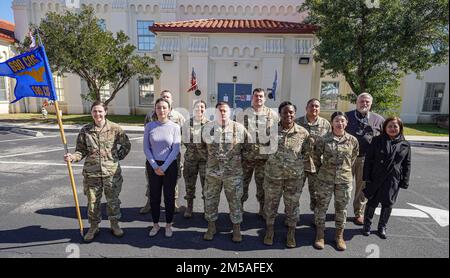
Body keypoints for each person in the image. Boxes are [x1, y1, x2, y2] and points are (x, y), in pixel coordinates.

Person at [64, 101, 131, 242]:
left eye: (100, 111)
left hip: (111, 174)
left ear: (105, 112)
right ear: (91, 113)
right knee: (92, 202)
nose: (97, 114)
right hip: (92, 174)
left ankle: (115, 224)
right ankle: (94, 227)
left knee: (113, 201)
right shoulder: (85, 130)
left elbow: (126, 144)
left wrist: (116, 158)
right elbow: (81, 151)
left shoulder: (115, 128)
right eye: (95, 111)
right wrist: (72, 157)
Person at [263, 101, 312, 248]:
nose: (288, 115)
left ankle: (291, 233)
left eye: (291, 112)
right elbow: (263, 150)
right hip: (273, 176)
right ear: (280, 114)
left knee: (292, 206)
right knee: (271, 205)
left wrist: (295, 166)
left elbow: (307, 152)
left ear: (295, 114)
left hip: (294, 178)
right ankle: (270, 231)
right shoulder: (270, 131)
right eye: (285, 112)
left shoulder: (303, 133)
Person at [201, 102, 249, 242]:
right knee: (210, 200)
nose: (222, 113)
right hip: (212, 173)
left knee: (235, 201)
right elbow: (201, 148)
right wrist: (212, 160)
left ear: (230, 112)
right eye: (219, 111)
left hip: (233, 174)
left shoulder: (239, 129)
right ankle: (211, 227)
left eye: (225, 111)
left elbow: (248, 149)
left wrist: (238, 164)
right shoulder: (207, 129)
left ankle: (236, 229)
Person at [313, 112, 359, 251]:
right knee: (321, 206)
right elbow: (316, 157)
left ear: (346, 123)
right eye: (337, 121)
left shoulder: (352, 140)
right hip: (325, 179)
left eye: (342, 121)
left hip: (344, 180)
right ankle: (320, 234)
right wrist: (325, 170)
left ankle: (339, 235)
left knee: (342, 209)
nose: (340, 123)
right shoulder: (323, 139)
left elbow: (353, 158)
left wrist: (343, 170)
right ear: (332, 123)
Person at [362, 117, 411, 239]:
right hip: (376, 177)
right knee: (372, 202)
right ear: (385, 128)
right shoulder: (376, 140)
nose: (392, 128)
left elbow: (407, 164)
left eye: (395, 126)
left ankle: (382, 226)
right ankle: (367, 225)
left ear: (400, 128)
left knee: (388, 204)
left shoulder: (405, 144)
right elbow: (368, 160)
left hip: (393, 179)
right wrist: (366, 177)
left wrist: (405, 181)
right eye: (390, 126)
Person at [140, 90, 185, 214]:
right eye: (163, 96)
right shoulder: (150, 116)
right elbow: (147, 135)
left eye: (168, 97)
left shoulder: (179, 117)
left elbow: (183, 135)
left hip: (172, 156)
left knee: (173, 181)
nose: (165, 98)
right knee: (151, 180)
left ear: (172, 100)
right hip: (154, 155)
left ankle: (173, 202)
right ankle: (150, 202)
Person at [144, 98, 181, 238]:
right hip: (153, 166)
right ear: (155, 109)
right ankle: (155, 225)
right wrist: (155, 165)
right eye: (159, 107)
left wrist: (164, 167)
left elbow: (175, 149)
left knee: (169, 197)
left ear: (169, 110)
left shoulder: (175, 127)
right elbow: (146, 148)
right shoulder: (150, 126)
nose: (162, 110)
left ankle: (168, 225)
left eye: (165, 107)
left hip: (169, 166)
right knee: (154, 197)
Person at [345, 93, 384, 225]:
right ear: (356, 103)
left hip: (365, 159)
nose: (364, 104)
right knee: (344, 186)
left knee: (361, 188)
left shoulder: (378, 120)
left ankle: (359, 213)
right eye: (361, 101)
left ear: (371, 104)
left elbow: (384, 139)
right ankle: (341, 210)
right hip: (347, 158)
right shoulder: (347, 116)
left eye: (367, 102)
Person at [239, 88, 278, 216]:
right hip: (246, 157)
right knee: (242, 183)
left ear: (265, 99)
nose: (258, 98)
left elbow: (276, 136)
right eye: (256, 96)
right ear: (252, 97)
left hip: (264, 159)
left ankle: (262, 209)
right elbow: (238, 135)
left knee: (262, 185)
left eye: (261, 96)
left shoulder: (272, 115)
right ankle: (240, 208)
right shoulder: (244, 113)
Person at [295, 98, 331, 213]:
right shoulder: (297, 123)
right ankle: (292, 216)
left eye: (317, 106)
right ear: (306, 108)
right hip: (299, 165)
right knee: (294, 192)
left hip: (317, 166)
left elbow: (329, 144)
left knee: (316, 193)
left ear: (319, 109)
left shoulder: (325, 124)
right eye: (311, 106)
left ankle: (316, 217)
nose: (314, 108)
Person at [182, 100, 209, 218]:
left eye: (202, 107)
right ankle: (189, 207)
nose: (199, 109)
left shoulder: (209, 124)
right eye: (197, 107)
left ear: (205, 109)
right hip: (190, 160)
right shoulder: (187, 124)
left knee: (206, 186)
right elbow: (185, 141)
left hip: (205, 161)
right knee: (189, 184)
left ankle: (207, 208)